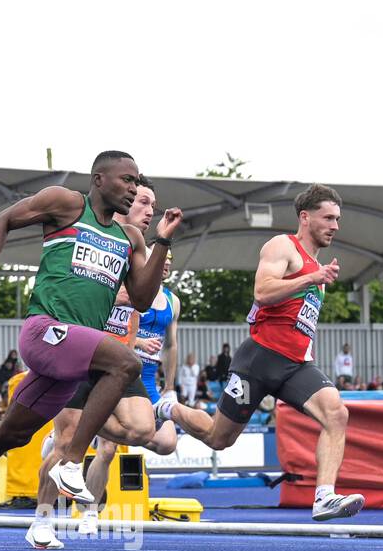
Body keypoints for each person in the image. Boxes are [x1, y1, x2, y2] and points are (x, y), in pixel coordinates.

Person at [0, 151, 182, 542]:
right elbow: (2, 219)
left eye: (137, 181)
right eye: (126, 180)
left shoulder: (129, 239)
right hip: (46, 331)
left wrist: (162, 239)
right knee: (125, 363)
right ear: (98, 179)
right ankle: (71, 461)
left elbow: (142, 299)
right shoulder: (67, 204)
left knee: (12, 433)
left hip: (76, 356)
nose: (132, 187)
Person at [155, 184, 364, 521]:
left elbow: (302, 322)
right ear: (305, 217)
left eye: (338, 219)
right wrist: (310, 278)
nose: (336, 226)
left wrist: (314, 281)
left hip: (296, 364)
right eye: (329, 217)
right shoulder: (284, 246)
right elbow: (263, 291)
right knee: (218, 438)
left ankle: (324, 496)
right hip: (260, 358)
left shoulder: (318, 271)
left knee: (337, 414)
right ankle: (169, 407)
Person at [38, 176, 184, 546]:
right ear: (124, 201)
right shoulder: (97, 235)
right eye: (143, 202)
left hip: (118, 359)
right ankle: (41, 520)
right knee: (67, 443)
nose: (150, 211)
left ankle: (77, 435)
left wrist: (136, 346)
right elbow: (87, 292)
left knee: (142, 431)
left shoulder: (138, 247)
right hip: (81, 350)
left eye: (152, 204)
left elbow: (140, 304)